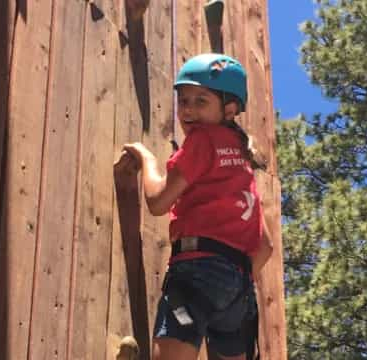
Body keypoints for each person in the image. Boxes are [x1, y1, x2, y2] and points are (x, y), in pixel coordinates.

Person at [114, 53, 274, 360]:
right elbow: (265, 247)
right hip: (239, 294)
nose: (188, 109)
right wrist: (230, 285)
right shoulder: (242, 164)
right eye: (184, 100)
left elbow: (158, 201)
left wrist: (147, 160)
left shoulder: (203, 139)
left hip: (196, 277)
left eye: (201, 101)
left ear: (229, 109)